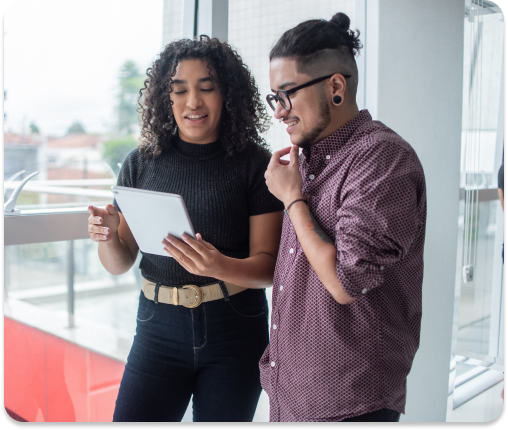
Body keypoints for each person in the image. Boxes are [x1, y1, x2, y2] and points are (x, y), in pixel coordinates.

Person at [87, 36, 284, 422]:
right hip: (157, 330)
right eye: (180, 91)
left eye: (206, 88)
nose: (193, 102)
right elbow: (120, 262)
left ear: (227, 94)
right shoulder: (141, 163)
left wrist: (217, 264)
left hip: (235, 330)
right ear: (166, 98)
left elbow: (269, 266)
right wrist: (109, 236)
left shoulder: (254, 164)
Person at [262, 12, 427, 422]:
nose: (279, 112)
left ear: (335, 86)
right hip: (294, 394)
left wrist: (293, 201)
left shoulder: (383, 158)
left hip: (352, 401)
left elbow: (344, 282)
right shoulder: (306, 162)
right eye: (273, 98)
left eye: (286, 94)